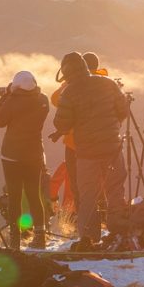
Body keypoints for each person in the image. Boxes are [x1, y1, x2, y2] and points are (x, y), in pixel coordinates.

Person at [51, 52, 129, 250]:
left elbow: (61, 122)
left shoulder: (69, 92)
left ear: (67, 72)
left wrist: (62, 130)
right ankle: (118, 229)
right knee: (115, 189)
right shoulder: (108, 83)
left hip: (86, 152)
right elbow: (123, 111)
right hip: (112, 147)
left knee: (88, 195)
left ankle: (89, 237)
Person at [0, 70, 50, 250]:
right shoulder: (43, 100)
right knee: (34, 195)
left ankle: (15, 239)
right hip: (34, 154)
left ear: (17, 87)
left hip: (12, 156)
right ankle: (40, 237)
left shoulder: (12, 102)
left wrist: (6, 96)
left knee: (15, 197)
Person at [50, 52, 108, 214]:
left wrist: (66, 84)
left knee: (77, 183)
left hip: (76, 143)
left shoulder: (75, 86)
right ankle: (103, 213)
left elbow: (55, 99)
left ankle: (81, 217)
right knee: (101, 180)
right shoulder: (105, 82)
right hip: (103, 142)